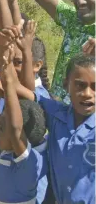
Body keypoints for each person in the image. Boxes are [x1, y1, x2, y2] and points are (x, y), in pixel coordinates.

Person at [0, 40, 47, 204]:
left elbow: (15, 128)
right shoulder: (7, 152)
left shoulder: (28, 163)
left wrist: (8, 81)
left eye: (1, 129)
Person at [39, 54, 95, 204]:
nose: (88, 94)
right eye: (80, 85)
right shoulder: (57, 115)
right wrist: (24, 50)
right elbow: (21, 90)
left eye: (95, 87)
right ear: (66, 85)